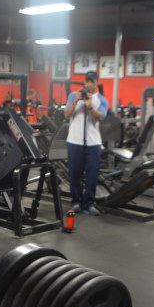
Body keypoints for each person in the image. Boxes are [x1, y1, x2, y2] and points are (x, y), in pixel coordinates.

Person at [64, 70, 109, 215]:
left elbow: (100, 116)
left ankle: (89, 204)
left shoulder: (101, 100)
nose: (89, 84)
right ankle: (76, 202)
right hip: (74, 140)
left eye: (92, 81)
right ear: (84, 82)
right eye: (87, 81)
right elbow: (66, 114)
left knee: (92, 174)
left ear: (96, 83)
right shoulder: (73, 95)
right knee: (74, 173)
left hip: (93, 142)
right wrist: (76, 100)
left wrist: (90, 106)